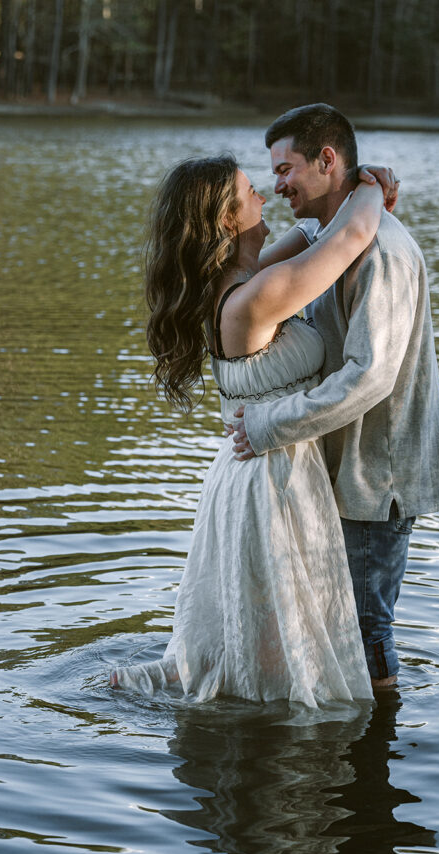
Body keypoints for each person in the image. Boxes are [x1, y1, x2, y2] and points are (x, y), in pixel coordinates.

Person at [111, 153, 398, 707]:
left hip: (260, 466)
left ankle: (173, 680)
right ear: (225, 219)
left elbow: (313, 233)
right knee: (279, 644)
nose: (265, 195)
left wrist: (347, 196)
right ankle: (261, 744)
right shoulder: (255, 297)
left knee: (272, 628)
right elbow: (353, 234)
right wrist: (373, 181)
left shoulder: (240, 277)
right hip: (271, 478)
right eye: (250, 192)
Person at [232, 103, 439, 689]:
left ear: (326, 160)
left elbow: (370, 377)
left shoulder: (381, 253)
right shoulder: (327, 240)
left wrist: (266, 428)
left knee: (365, 631)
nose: (277, 185)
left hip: (375, 479)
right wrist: (366, 184)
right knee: (334, 627)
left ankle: (373, 761)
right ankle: (345, 766)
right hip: (336, 471)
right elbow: (300, 252)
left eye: (285, 170)